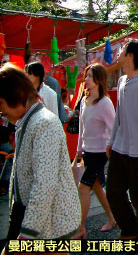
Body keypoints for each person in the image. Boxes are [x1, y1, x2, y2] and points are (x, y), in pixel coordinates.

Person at [0, 65, 80, 241]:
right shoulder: (27, 120)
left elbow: (44, 183)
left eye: (1, 104)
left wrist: (29, 231)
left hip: (48, 225)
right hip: (33, 217)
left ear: (15, 97)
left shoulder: (44, 123)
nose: (2, 113)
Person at [106, 39, 138, 240]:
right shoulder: (121, 81)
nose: (118, 53)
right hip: (119, 147)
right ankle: (130, 229)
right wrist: (111, 141)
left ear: (131, 56)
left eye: (122, 50)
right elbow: (119, 114)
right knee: (113, 192)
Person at [75, 63, 117, 235]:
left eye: (90, 76)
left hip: (100, 152)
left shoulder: (105, 102)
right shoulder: (84, 101)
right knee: (98, 186)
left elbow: (114, 129)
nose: (86, 79)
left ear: (99, 79)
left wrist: (113, 150)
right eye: (86, 75)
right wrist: (79, 149)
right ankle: (113, 217)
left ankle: (80, 227)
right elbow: (81, 126)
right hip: (87, 151)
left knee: (83, 188)